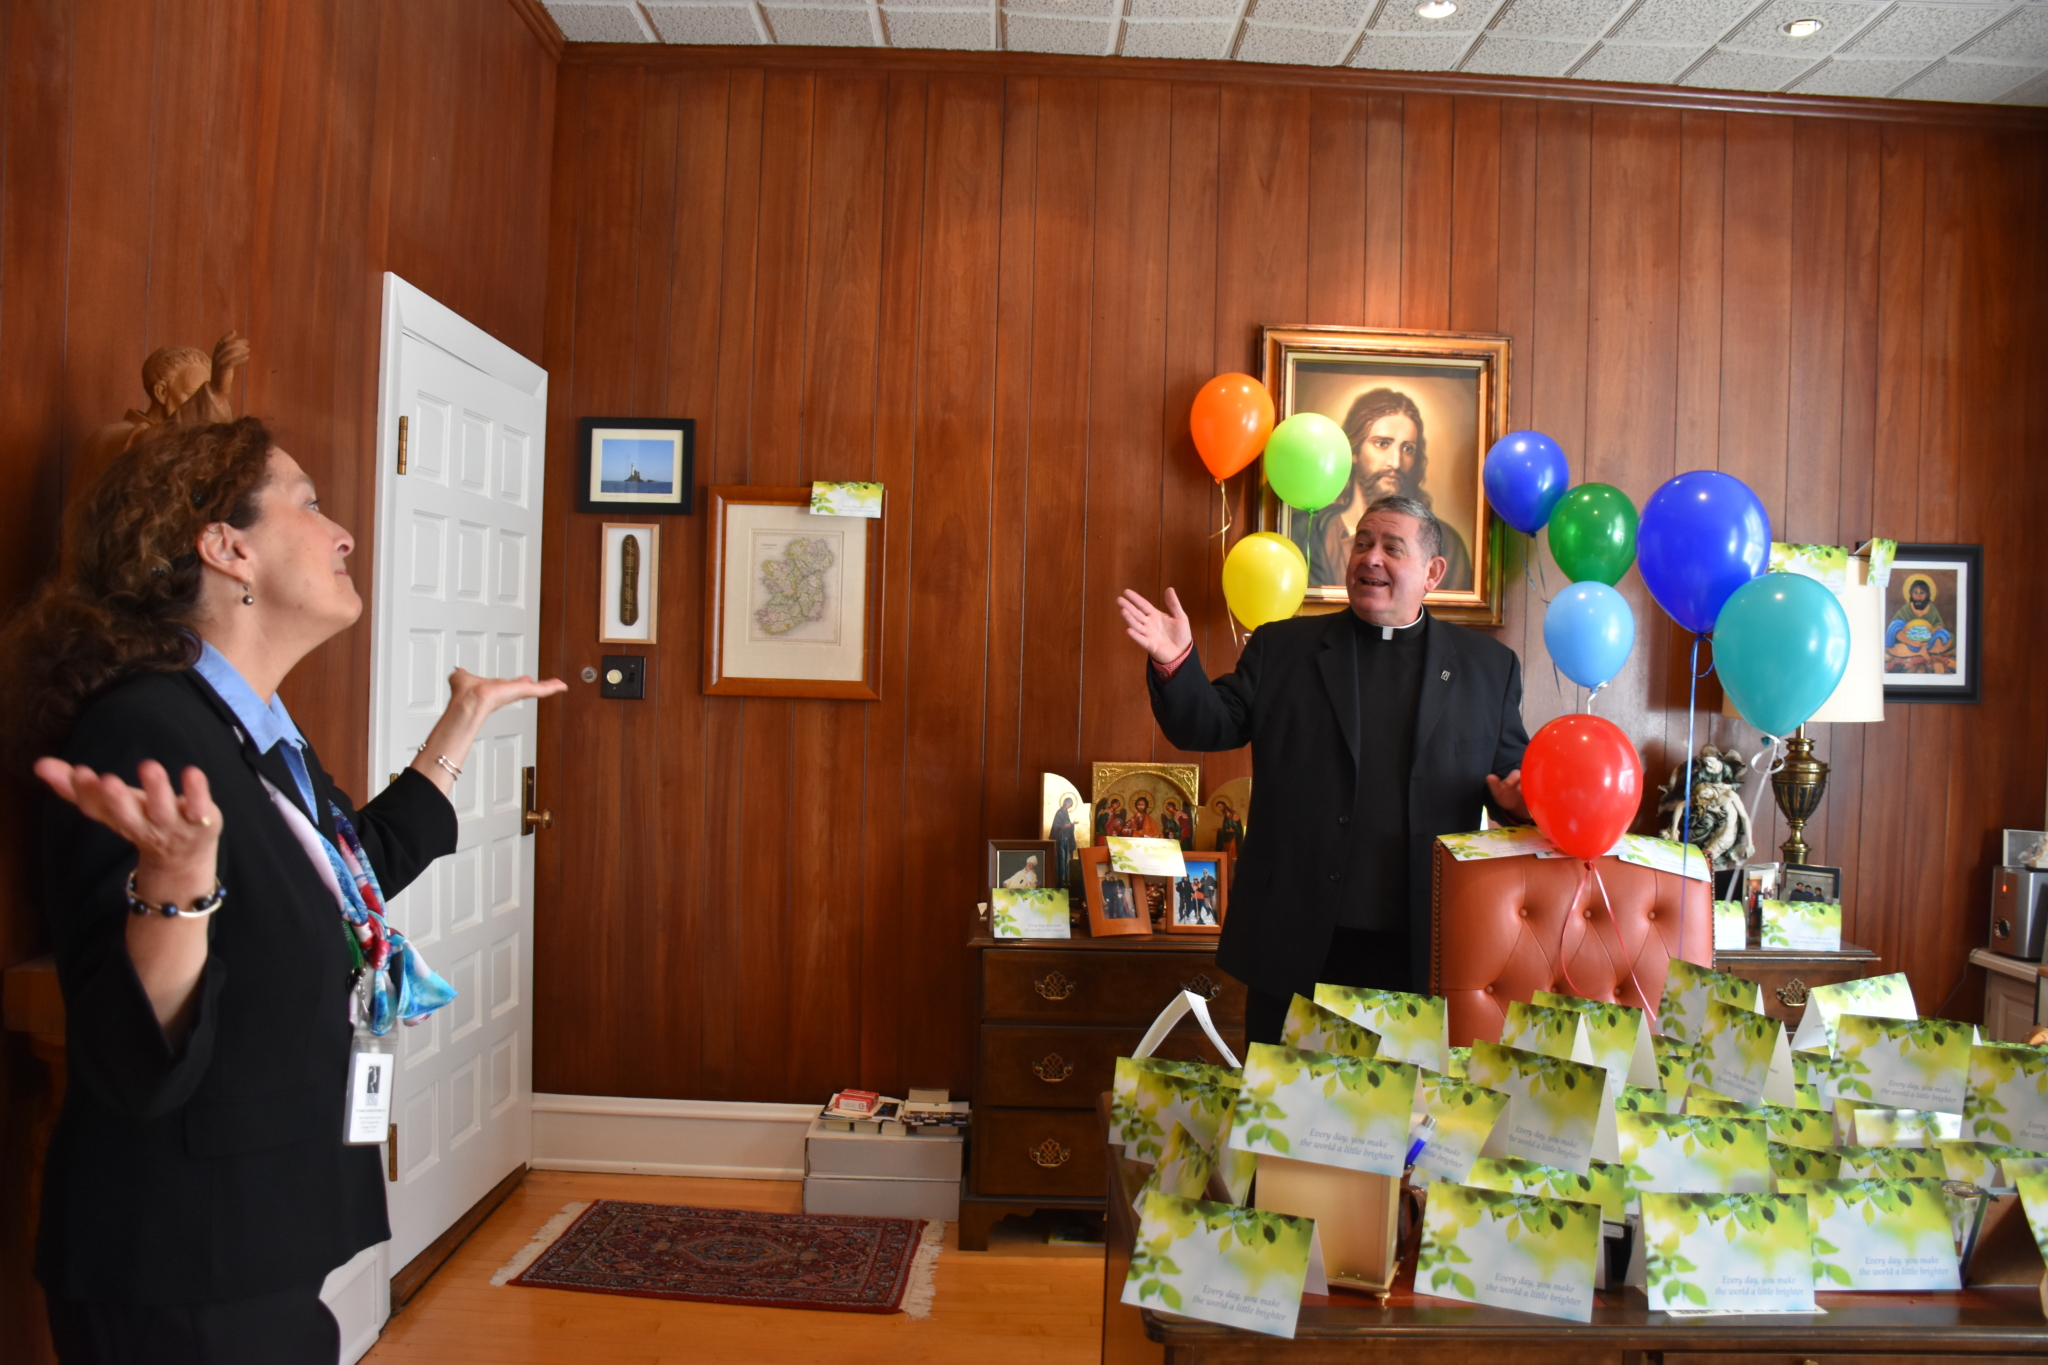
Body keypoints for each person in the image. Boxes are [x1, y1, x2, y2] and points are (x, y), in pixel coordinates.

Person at [5, 418, 565, 1364]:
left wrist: (459, 729)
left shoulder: (248, 725)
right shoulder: (145, 730)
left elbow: (351, 874)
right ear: (227, 548)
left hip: (253, 1236)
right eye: (308, 504)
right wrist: (176, 889)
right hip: (182, 1259)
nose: (342, 532)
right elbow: (133, 1051)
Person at [1119, 494, 1529, 1046]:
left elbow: (1511, 778)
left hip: (1422, 948)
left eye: (1391, 547)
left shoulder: (1488, 668)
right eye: (1362, 542)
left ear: (1433, 572)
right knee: (1287, 1122)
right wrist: (1177, 662)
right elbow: (1209, 726)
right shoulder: (1284, 648)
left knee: (1401, 1122)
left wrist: (1519, 799)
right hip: (1297, 938)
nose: (1371, 558)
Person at [1303, 388, 1473, 594]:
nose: (1396, 462)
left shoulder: (1448, 544)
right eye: (1382, 444)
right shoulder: (1310, 531)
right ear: (1354, 451)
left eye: (1407, 448)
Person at [1049, 795, 1078, 889]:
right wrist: (1070, 824)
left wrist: (1071, 825)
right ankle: (1061, 881)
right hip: (1060, 838)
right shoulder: (1060, 813)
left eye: (1071, 804)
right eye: (1069, 803)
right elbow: (1057, 826)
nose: (1069, 805)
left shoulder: (1065, 813)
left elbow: (1067, 825)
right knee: (1061, 859)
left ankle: (1067, 880)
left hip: (1066, 838)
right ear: (1065, 802)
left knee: (1066, 860)